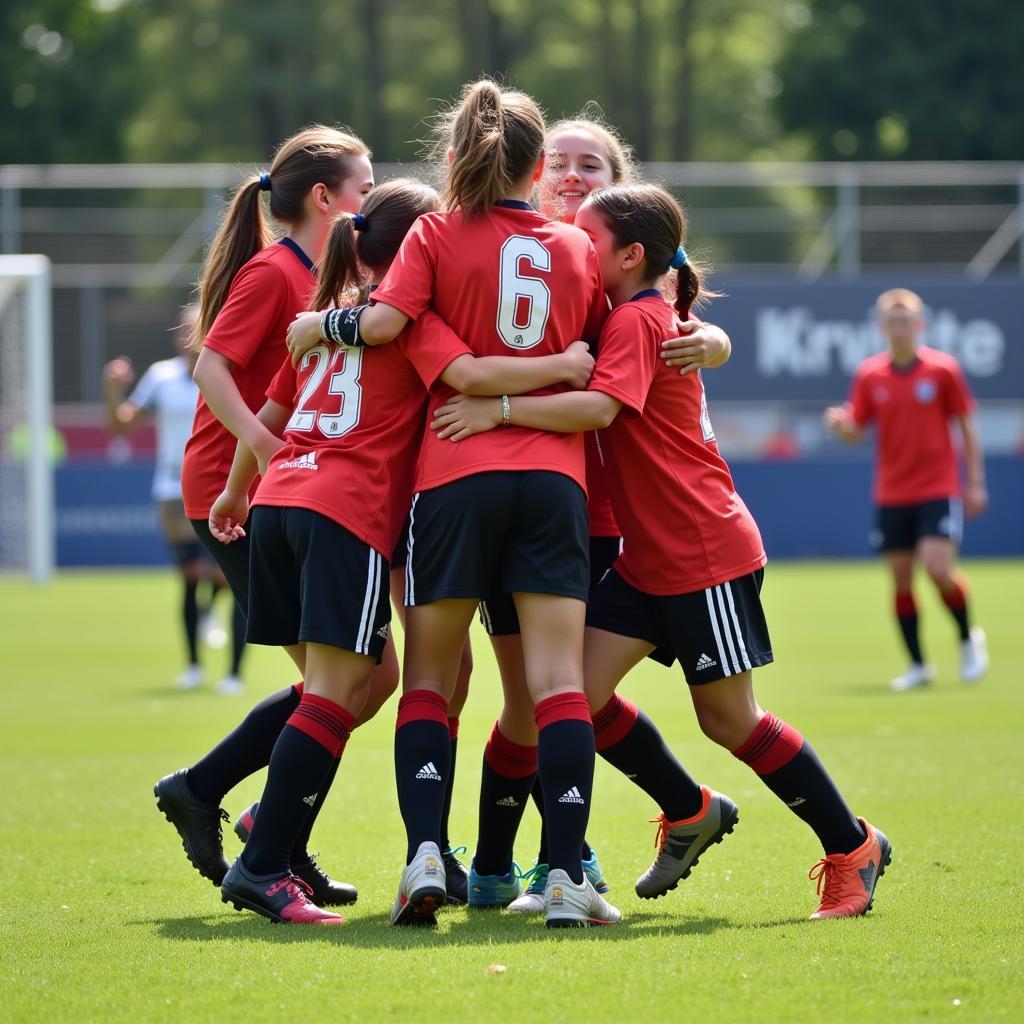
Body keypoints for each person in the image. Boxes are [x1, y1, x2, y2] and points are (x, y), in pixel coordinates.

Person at [432, 182, 892, 921]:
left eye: (588, 239)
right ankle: (676, 814)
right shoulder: (635, 314)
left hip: (703, 551)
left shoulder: (641, 319)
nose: (576, 248)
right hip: (651, 560)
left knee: (731, 720)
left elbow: (599, 408)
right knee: (571, 697)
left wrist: (497, 408)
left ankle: (854, 847)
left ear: (631, 254)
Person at [210, 177, 600, 924]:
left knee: (370, 683)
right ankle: (262, 863)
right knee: (335, 693)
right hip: (344, 512)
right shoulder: (404, 320)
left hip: (278, 504)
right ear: (421, 248)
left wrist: (236, 492)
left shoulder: (330, 323)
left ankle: (290, 843)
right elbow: (466, 376)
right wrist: (564, 365)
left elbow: (275, 410)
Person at [289, 81, 621, 928]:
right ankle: (564, 879)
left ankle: (426, 856)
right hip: (554, 480)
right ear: (541, 168)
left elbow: (396, 326)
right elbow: (600, 345)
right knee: (555, 683)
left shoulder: (433, 233)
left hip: (453, 477)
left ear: (456, 158)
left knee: (431, 681)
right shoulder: (579, 249)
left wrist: (328, 329)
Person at [471, 112, 735, 914]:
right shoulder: (522, 249)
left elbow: (680, 325)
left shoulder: (616, 271)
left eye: (594, 164)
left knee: (550, 697)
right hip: (508, 495)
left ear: (618, 185)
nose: (575, 174)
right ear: (535, 172)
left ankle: (544, 864)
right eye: (561, 160)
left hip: (592, 508)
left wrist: (714, 339)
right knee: (541, 698)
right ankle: (666, 815)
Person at [154, 126, 376, 910]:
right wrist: (258, 442)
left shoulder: (325, 274)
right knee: (342, 683)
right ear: (325, 198)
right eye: (364, 185)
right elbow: (210, 364)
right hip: (236, 495)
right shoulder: (276, 271)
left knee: (352, 680)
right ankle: (240, 818)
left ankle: (257, 823)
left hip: (275, 489)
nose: (371, 200)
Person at [824, 288, 989, 691]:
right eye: (891, 322)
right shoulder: (869, 375)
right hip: (892, 492)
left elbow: (967, 425)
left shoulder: (943, 370)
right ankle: (918, 666)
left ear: (920, 325)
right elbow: (855, 431)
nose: (899, 329)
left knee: (937, 569)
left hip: (938, 487)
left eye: (906, 321)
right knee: (900, 580)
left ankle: (969, 639)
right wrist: (841, 426)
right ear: (881, 327)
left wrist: (976, 482)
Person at [103, 306, 245, 692]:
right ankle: (195, 666)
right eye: (185, 330)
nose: (190, 338)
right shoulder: (161, 378)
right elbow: (122, 425)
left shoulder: (229, 371)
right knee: (188, 577)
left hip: (223, 484)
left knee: (226, 576)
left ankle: (232, 673)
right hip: (171, 488)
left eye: (197, 329)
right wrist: (114, 389)